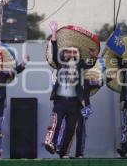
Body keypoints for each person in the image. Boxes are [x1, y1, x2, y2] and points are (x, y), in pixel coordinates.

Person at [44, 22, 97, 158]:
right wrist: (54, 32)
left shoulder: (80, 65)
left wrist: (92, 56)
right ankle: (49, 143)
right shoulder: (60, 63)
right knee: (56, 123)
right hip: (60, 101)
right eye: (68, 51)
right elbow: (55, 50)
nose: (71, 53)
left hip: (74, 103)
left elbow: (90, 64)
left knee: (71, 129)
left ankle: (64, 152)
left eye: (74, 52)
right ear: (65, 53)